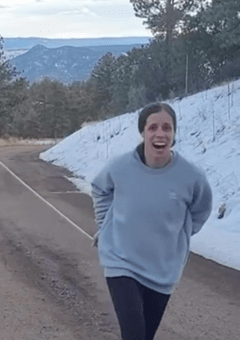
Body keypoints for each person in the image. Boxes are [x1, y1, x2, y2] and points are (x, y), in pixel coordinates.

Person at [91, 102, 213, 340]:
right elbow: (100, 189)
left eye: (167, 128)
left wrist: (181, 233)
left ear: (174, 134)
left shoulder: (191, 176)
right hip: (121, 263)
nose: (160, 134)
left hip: (162, 270)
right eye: (153, 127)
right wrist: (106, 223)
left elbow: (201, 210)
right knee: (135, 334)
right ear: (143, 132)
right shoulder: (121, 167)